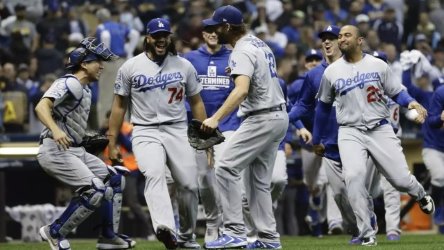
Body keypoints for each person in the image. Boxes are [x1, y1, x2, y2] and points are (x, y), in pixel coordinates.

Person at [313, 25, 435, 246]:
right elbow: (322, 107)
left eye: (346, 35)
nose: (341, 39)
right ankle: (366, 232)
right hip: (349, 130)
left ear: (360, 41)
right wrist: (316, 139)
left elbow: (397, 92)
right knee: (353, 177)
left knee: (400, 180)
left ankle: (418, 192)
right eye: (340, 36)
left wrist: (412, 103)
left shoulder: (378, 65)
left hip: (379, 128)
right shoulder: (331, 72)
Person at [107, 17, 207, 249]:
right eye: (157, 35)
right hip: (144, 130)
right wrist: (112, 142)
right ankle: (164, 227)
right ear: (148, 38)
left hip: (177, 128)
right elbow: (119, 106)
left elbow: (197, 102)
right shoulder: (130, 67)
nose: (161, 39)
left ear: (169, 37)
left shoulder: (184, 65)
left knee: (189, 185)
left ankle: (186, 236)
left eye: (165, 35)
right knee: (154, 175)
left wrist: (202, 133)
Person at [200, 5, 288, 249]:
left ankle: (235, 232)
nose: (214, 31)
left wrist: (215, 118)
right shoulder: (259, 43)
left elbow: (241, 90)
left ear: (228, 27)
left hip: (261, 117)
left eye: (217, 26)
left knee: (226, 166)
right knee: (257, 182)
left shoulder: (242, 49)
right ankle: (269, 239)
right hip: (276, 115)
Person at [35, 37, 135, 250]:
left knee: (113, 180)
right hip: (55, 149)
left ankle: (108, 236)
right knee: (95, 190)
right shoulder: (69, 82)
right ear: (84, 63)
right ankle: (54, 232)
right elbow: (41, 107)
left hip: (74, 150)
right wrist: (55, 130)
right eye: (97, 61)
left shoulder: (86, 89)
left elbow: (70, 121)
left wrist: (84, 137)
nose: (102, 66)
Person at [183, 20, 240, 243]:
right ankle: (212, 222)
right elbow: (186, 96)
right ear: (203, 34)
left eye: (216, 30)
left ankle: (229, 227)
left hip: (229, 125)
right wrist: (200, 128)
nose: (212, 34)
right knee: (204, 180)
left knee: (224, 175)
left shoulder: (234, 56)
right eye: (207, 30)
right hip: (200, 127)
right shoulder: (190, 59)